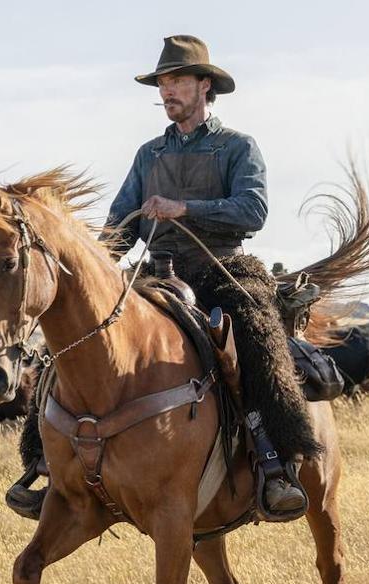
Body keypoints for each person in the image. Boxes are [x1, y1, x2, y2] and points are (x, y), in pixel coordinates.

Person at [94, 35, 316, 518]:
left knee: (257, 334)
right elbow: (118, 226)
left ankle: (277, 463)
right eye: (162, 83)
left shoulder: (237, 146)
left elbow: (252, 211)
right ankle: (47, 465)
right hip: (154, 273)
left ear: (204, 85)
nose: (166, 91)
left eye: (176, 81)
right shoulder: (148, 154)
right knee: (83, 330)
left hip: (220, 266)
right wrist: (89, 263)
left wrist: (184, 208)